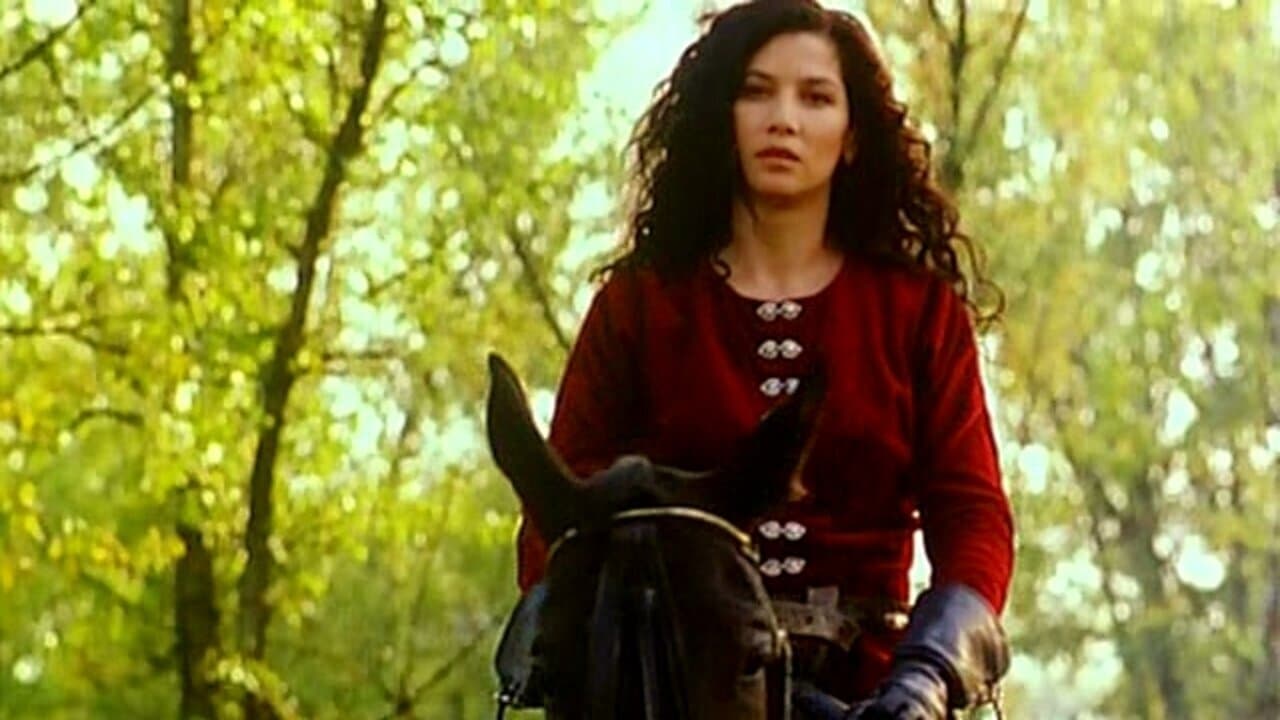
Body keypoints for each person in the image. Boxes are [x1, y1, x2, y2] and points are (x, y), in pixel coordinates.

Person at [515, 1, 1014, 717]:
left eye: (816, 97)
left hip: (874, 696)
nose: (783, 119)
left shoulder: (917, 312)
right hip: (672, 690)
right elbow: (560, 509)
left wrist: (929, 677)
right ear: (723, 118)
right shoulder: (639, 306)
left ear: (851, 136)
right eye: (756, 91)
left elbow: (973, 515)